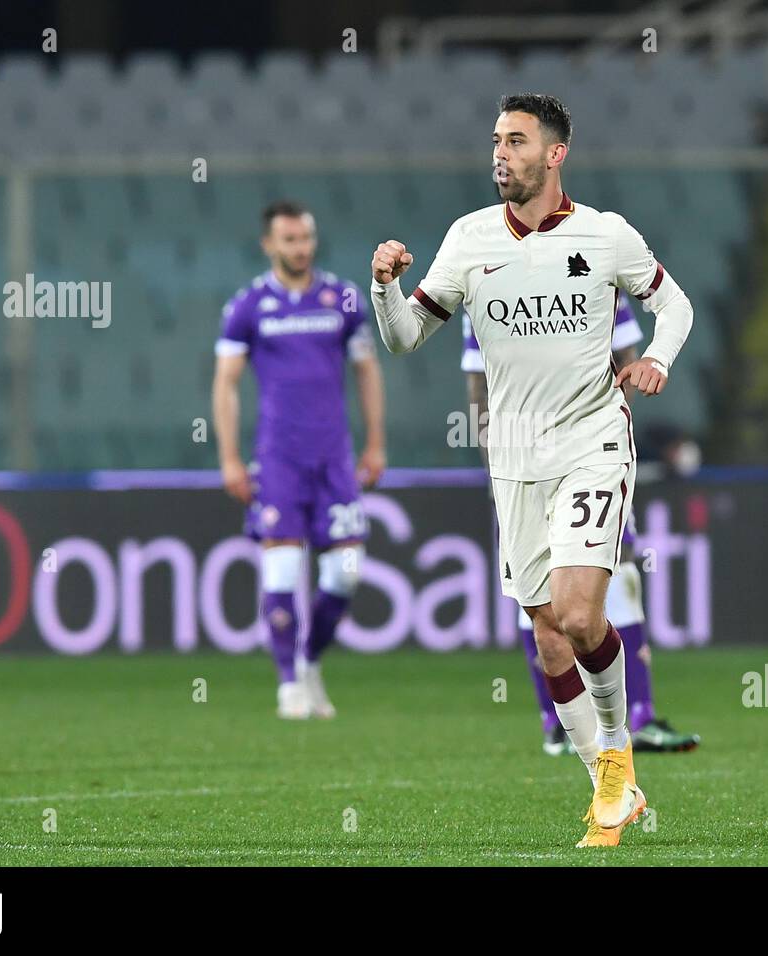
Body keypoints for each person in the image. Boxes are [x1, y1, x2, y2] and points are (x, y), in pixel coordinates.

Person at [370, 93, 694, 847]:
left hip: (591, 439)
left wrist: (655, 359)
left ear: (554, 154)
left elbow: (673, 306)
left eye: (516, 141)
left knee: (582, 617)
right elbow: (405, 339)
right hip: (513, 456)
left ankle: (616, 755)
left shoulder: (605, 236)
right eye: (495, 140)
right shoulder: (468, 238)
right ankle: (610, 789)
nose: (500, 153)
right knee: (549, 636)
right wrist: (385, 287)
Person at [461, 307, 700, 756]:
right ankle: (557, 724)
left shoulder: (595, 257)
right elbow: (478, 384)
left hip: (591, 456)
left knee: (621, 570)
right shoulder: (484, 274)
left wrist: (615, 447)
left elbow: (626, 358)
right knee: (534, 588)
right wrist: (493, 464)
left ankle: (639, 718)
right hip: (524, 460)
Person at [213, 200, 386, 720]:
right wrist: (229, 459)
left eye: (306, 237)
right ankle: (288, 682)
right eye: (289, 239)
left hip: (334, 459)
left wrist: (375, 442)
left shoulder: (344, 299)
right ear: (269, 244)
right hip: (279, 459)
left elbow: (367, 371)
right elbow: (226, 384)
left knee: (346, 574)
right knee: (282, 569)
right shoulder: (248, 307)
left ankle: (310, 661)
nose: (300, 247)